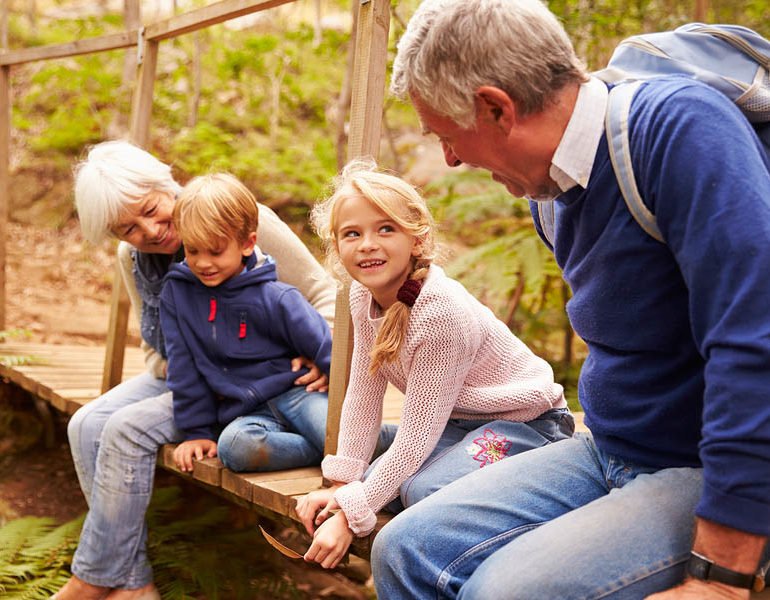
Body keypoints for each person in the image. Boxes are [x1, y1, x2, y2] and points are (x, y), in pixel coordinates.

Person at [369, 0, 770, 599]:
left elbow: (754, 343)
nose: (451, 159)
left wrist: (721, 575)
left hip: (706, 466)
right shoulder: (549, 192)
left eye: (448, 137)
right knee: (403, 550)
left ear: (495, 107)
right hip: (610, 448)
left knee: (501, 593)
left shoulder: (675, 132)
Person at [55, 140, 336, 600]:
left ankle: (96, 578)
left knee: (128, 429)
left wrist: (321, 358)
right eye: (128, 227)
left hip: (255, 376)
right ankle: (132, 582)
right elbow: (153, 345)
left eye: (151, 209)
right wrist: (185, 367)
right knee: (85, 424)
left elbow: (323, 295)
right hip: (184, 373)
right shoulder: (133, 259)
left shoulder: (239, 219)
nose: (149, 230)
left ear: (164, 184)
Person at [295, 160, 573, 570]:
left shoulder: (439, 314)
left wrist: (348, 518)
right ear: (337, 247)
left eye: (385, 228)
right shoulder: (362, 294)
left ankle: (538, 489)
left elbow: (414, 439)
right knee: (387, 476)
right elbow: (363, 394)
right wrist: (343, 484)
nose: (368, 244)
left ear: (417, 238)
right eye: (352, 234)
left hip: (528, 423)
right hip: (458, 421)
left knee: (422, 492)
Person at [159, 172, 332, 474]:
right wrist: (197, 431)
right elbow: (183, 366)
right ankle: (327, 452)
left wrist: (331, 374)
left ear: (247, 244)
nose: (202, 262)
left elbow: (325, 346)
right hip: (246, 412)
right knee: (235, 449)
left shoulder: (277, 297)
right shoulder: (178, 295)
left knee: (337, 433)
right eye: (192, 250)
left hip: (299, 395)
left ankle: (371, 445)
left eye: (215, 250)